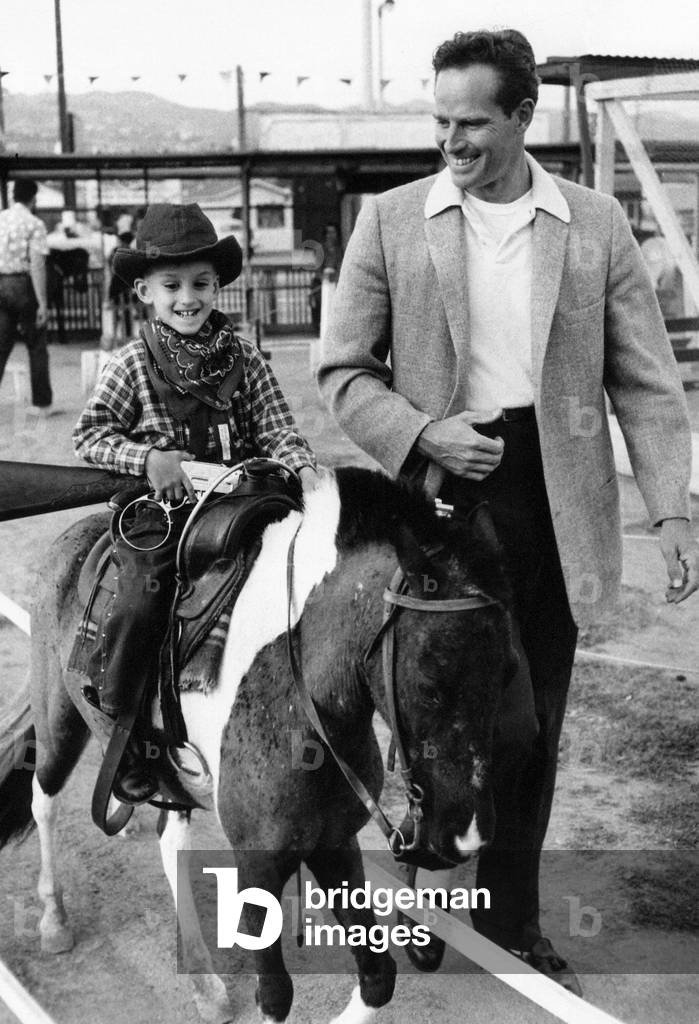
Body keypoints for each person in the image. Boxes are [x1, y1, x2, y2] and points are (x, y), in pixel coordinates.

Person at [318, 29, 698, 992]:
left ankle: (513, 919)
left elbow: (644, 385)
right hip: (436, 506)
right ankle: (420, 899)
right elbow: (342, 373)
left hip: (551, 502)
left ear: (523, 115)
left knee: (529, 728)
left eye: (471, 121)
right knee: (430, 719)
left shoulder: (595, 223)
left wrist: (669, 511)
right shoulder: (392, 221)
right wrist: (420, 435)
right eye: (439, 119)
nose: (450, 138)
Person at [73, 203, 318, 803]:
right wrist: (151, 462)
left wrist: (302, 466)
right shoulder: (129, 363)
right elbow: (89, 435)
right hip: (161, 516)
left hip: (240, 505)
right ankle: (128, 736)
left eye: (201, 283)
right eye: (172, 285)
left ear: (218, 286)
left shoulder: (246, 357)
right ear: (144, 292)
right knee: (137, 601)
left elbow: (279, 428)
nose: (189, 297)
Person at [0, 178, 53, 413]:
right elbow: (37, 265)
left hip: (0, 284)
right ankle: (42, 403)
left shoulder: (0, 220)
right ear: (34, 198)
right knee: (36, 344)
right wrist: (43, 303)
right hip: (23, 285)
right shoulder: (35, 224)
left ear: (13, 196)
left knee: (0, 346)